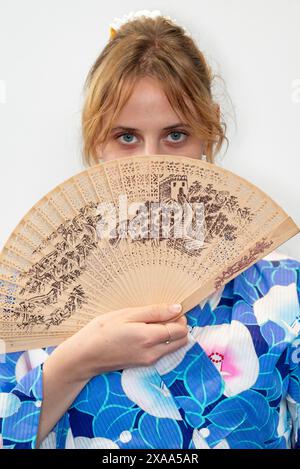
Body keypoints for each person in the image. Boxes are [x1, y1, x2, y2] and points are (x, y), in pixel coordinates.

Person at [0, 11, 299, 450]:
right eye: (126, 137)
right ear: (95, 138)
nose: (151, 162)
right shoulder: (30, 297)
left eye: (176, 134)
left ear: (208, 131)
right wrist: (76, 363)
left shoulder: (283, 292)